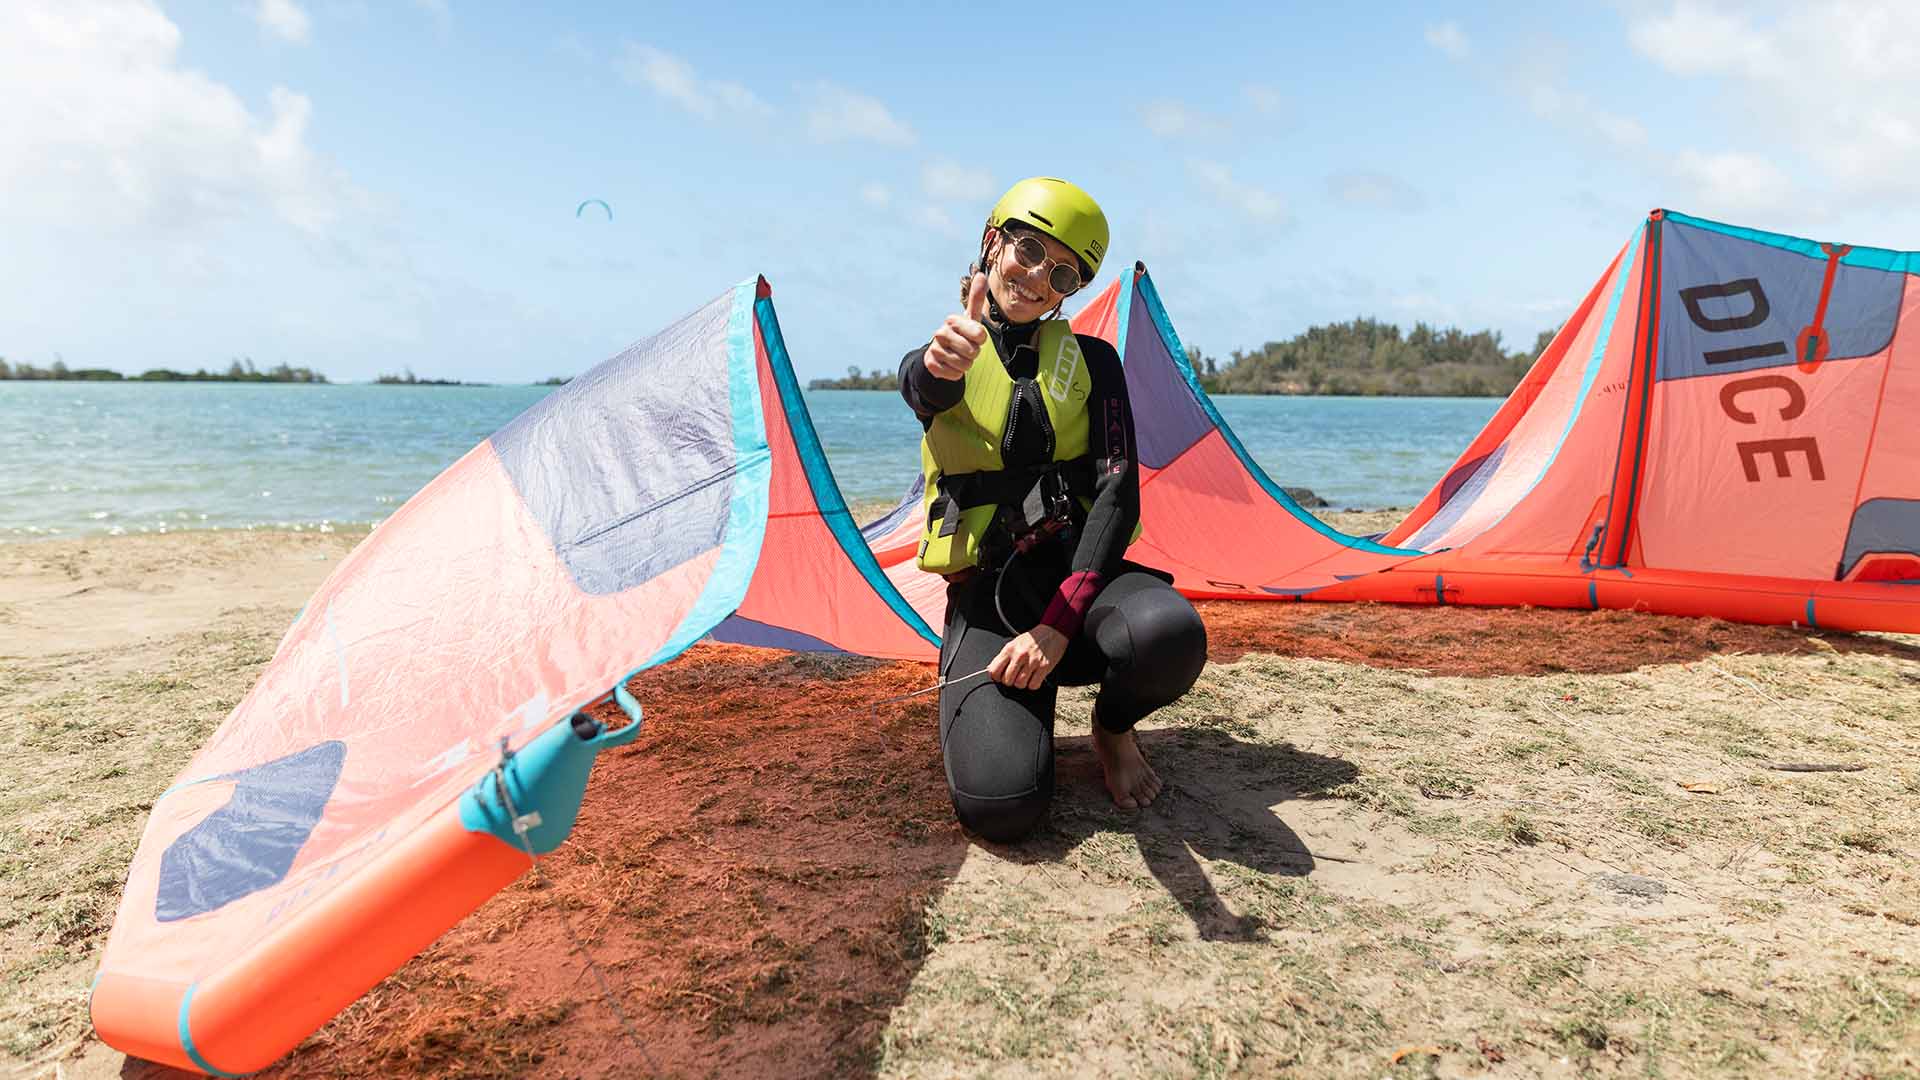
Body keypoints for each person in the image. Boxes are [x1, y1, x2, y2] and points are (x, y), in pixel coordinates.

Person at [898, 177, 1208, 844]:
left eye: (1063, 271)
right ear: (992, 243)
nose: (1039, 277)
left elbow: (1119, 494)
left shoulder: (1093, 363)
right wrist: (939, 365)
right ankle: (1006, 706)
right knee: (1002, 808)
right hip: (992, 605)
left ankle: (1112, 729)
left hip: (1081, 591)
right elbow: (922, 387)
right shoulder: (946, 354)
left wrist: (1061, 623)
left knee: (1169, 633)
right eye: (1029, 250)